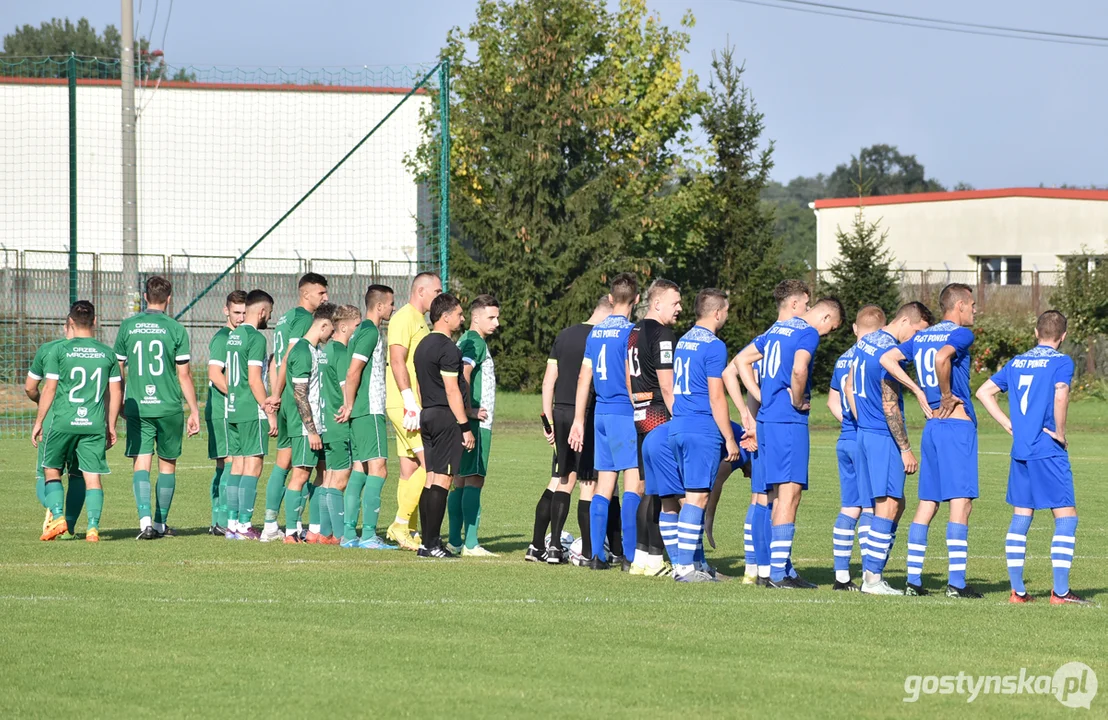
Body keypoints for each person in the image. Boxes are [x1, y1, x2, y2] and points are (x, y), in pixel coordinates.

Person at [976, 310, 1089, 605]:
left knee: (1021, 517)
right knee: (1066, 518)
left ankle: (1018, 592)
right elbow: (1061, 393)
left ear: (1036, 333)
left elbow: (984, 391)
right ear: (1062, 336)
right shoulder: (1062, 361)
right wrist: (1061, 434)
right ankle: (1061, 593)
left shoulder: (1017, 362)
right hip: (1047, 449)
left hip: (1021, 451)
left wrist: (1006, 423)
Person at [732, 298, 845, 588]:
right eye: (829, 329)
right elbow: (799, 370)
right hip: (787, 421)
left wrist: (761, 394)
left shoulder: (776, 329)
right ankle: (779, 573)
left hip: (767, 421)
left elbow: (741, 361)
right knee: (789, 494)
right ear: (825, 316)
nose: (826, 334)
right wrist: (797, 399)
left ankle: (766, 569)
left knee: (768, 495)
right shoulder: (806, 332)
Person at [881, 284, 981, 598]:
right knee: (961, 503)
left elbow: (888, 359)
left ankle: (913, 581)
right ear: (961, 305)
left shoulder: (921, 336)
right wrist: (947, 393)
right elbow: (942, 359)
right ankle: (956, 584)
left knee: (927, 504)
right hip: (955, 425)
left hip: (932, 429)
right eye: (973, 305)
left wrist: (917, 389)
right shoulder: (961, 334)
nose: (975, 311)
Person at [844, 302, 933, 595]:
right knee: (890, 505)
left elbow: (848, 386)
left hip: (865, 434)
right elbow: (889, 403)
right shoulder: (889, 353)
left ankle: (872, 570)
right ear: (906, 321)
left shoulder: (866, 341)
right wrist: (905, 448)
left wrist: (862, 422)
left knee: (888, 504)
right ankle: (872, 577)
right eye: (918, 332)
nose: (916, 340)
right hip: (883, 436)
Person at [722, 278, 808, 584]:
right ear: (795, 303)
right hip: (774, 423)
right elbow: (732, 370)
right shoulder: (793, 335)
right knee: (773, 496)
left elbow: (732, 370)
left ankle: (753, 568)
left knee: (761, 496)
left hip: (761, 422)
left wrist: (749, 409)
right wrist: (757, 406)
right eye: (806, 304)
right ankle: (770, 569)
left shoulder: (768, 335)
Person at [114, 276, 201, 540]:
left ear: (144, 296)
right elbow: (183, 375)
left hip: (138, 406)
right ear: (169, 298)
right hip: (168, 406)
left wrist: (119, 402)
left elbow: (117, 369)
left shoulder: (128, 326)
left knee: (141, 462)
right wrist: (194, 410)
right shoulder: (176, 329)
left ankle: (145, 523)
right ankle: (161, 524)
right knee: (167, 465)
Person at [529, 295, 612, 565]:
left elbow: (547, 381)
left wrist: (548, 421)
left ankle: (546, 546)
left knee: (561, 479)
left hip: (560, 412)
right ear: (608, 312)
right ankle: (589, 551)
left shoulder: (564, 335)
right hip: (584, 413)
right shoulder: (602, 338)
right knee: (588, 483)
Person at [667, 288, 742, 582]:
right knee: (698, 498)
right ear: (717, 313)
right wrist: (730, 438)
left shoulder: (683, 341)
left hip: (679, 425)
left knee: (689, 497)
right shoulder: (714, 345)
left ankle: (696, 564)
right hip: (701, 428)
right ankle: (685, 567)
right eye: (726, 310)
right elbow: (716, 397)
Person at [31, 301, 121, 542]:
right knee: (91, 476)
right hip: (93, 423)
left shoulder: (60, 351)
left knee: (51, 470)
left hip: (62, 422)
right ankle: (92, 528)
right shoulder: (107, 353)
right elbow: (115, 392)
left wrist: (39, 420)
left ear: (70, 322)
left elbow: (49, 389)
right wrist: (111, 425)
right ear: (95, 322)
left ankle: (58, 516)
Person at [568, 273, 641, 570]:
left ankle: (597, 555)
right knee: (634, 484)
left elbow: (584, 377)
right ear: (635, 300)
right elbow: (629, 373)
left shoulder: (595, 333)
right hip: (624, 411)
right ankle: (631, 557)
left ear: (611, 299)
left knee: (604, 485)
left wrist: (577, 419)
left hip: (600, 413)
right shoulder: (632, 333)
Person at [263, 273, 329, 540]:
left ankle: (271, 524)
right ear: (306, 294)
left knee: (284, 463)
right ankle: (296, 527)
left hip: (286, 397)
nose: (325, 297)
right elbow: (289, 356)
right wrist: (277, 394)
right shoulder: (304, 319)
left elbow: (274, 362)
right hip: (296, 397)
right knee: (302, 467)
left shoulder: (285, 318)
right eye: (321, 293)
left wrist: (274, 395)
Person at [826, 304, 886, 591]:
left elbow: (831, 401)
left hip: (845, 439)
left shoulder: (842, 359)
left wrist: (848, 419)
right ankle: (869, 575)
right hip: (866, 438)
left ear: (854, 329)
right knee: (871, 507)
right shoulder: (877, 356)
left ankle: (841, 577)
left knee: (849, 507)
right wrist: (863, 422)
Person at [625, 279, 681, 576]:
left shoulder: (633, 332)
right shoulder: (663, 333)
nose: (680, 308)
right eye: (675, 302)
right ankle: (656, 558)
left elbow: (627, 377)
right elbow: (667, 385)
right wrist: (679, 419)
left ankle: (641, 557)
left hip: (639, 413)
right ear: (657, 303)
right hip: (659, 415)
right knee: (662, 491)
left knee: (647, 488)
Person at [412, 293, 474, 558]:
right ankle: (433, 543)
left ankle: (426, 543)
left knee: (431, 478)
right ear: (445, 317)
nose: (462, 319)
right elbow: (452, 390)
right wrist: (464, 426)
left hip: (427, 414)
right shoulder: (448, 349)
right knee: (444, 479)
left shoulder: (422, 345)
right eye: (459, 315)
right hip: (445, 417)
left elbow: (418, 384)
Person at [385, 272, 443, 550]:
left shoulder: (420, 321)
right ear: (421, 291)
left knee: (409, 468)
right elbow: (397, 360)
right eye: (437, 291)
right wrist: (409, 401)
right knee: (430, 463)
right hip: (405, 404)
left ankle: (407, 529)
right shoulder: (403, 318)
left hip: (410, 403)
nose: (439, 296)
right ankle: (399, 523)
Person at [336, 285, 397, 550]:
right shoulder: (370, 332)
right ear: (380, 306)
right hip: (368, 410)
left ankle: (349, 534)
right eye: (391, 303)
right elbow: (353, 371)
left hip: (361, 411)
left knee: (360, 468)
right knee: (379, 468)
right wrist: (349, 404)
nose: (393, 308)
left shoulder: (360, 331)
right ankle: (369, 535)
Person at [447, 294, 501, 557]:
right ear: (475, 317)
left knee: (460, 479)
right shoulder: (474, 341)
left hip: (466, 420)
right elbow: (464, 373)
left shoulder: (466, 340)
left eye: (497, 317)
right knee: (474, 479)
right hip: (476, 422)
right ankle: (470, 544)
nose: (497, 322)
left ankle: (456, 541)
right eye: (491, 317)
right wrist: (469, 409)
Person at [277, 304, 336, 543]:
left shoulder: (312, 350)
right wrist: (311, 431)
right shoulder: (301, 351)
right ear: (323, 325)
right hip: (305, 429)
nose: (332, 335)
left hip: (317, 426)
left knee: (322, 473)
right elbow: (299, 394)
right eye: (331, 329)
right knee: (300, 475)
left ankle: (314, 530)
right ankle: (291, 531)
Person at [224, 290, 276, 540]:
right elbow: (255, 379)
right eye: (270, 313)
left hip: (233, 408)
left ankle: (232, 523)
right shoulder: (256, 339)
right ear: (262, 311)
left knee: (237, 465)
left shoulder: (234, 336)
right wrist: (268, 409)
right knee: (253, 466)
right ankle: (245, 525)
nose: (269, 318)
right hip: (251, 410)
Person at [27, 320, 83, 539]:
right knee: (78, 475)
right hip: (86, 419)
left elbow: (30, 387)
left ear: (66, 325)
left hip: (54, 418)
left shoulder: (49, 349)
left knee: (47, 473)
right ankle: (68, 528)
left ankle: (54, 508)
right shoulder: (97, 351)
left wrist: (42, 403)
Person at [317, 304, 360, 547]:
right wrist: (350, 408)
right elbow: (346, 386)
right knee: (340, 479)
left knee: (329, 477)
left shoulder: (325, 351)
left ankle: (326, 533)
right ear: (343, 326)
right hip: (339, 422)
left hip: (326, 422)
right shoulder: (341, 353)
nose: (357, 332)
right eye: (356, 326)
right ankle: (340, 534)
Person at [206, 290, 247, 536]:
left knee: (228, 463)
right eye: (236, 313)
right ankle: (221, 520)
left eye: (244, 312)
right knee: (229, 462)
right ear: (226, 311)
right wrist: (236, 396)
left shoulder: (239, 337)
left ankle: (220, 519)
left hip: (231, 408)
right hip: (222, 408)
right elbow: (214, 373)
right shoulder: (224, 337)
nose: (241, 317)